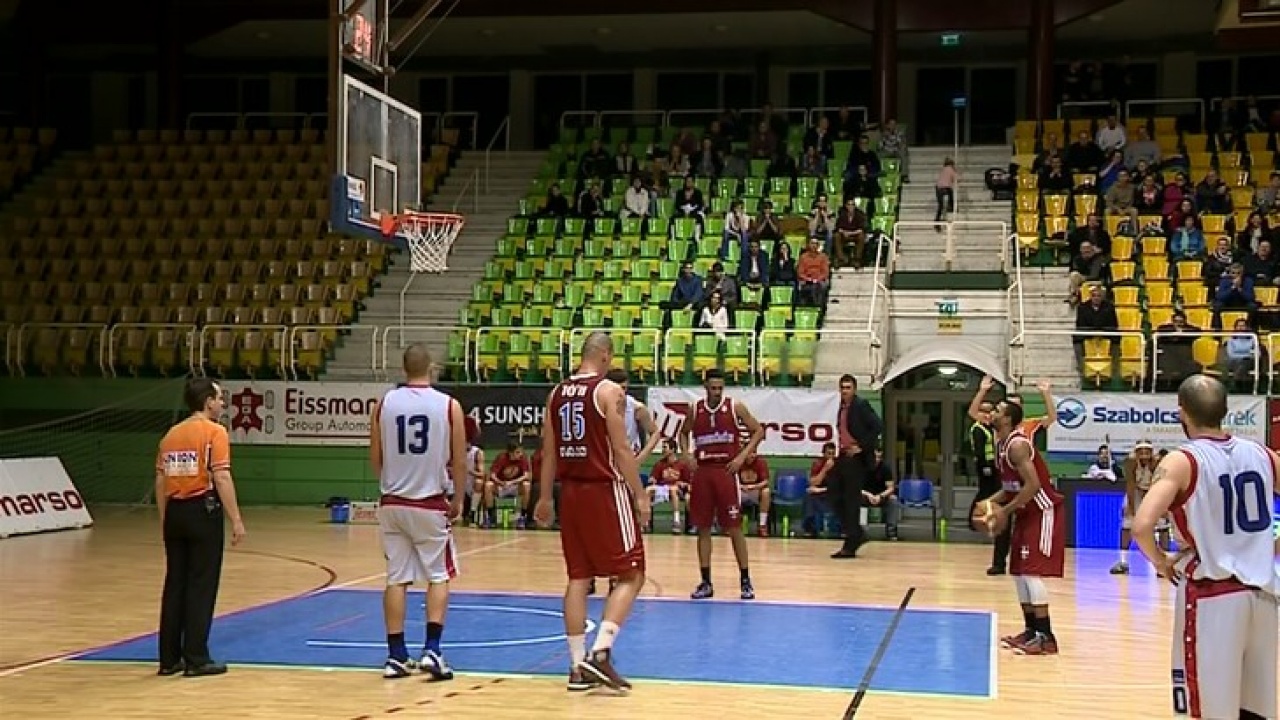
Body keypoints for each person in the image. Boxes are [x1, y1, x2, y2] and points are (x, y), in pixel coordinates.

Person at [1133, 374, 1279, 720]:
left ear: (1182, 412)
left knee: (1205, 711)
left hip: (1212, 596)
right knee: (1256, 711)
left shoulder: (1181, 461)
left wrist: (1161, 562)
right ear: (1225, 410)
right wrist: (1273, 545)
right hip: (1265, 597)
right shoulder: (1263, 454)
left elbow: (1141, 526)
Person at [535, 332, 650, 693]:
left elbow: (549, 452)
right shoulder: (608, 391)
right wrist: (640, 494)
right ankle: (600, 652)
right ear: (604, 355)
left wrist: (544, 497)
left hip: (570, 492)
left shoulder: (556, 393)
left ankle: (576, 667)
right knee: (632, 573)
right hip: (604, 490)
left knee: (578, 578)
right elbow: (621, 450)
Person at [370, 345, 467, 680]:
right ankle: (432, 650)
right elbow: (459, 459)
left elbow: (375, 458)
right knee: (438, 575)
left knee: (396, 578)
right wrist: (458, 498)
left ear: (403, 368)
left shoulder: (384, 403)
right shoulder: (448, 405)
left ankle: (396, 655)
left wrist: (392, 481)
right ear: (432, 367)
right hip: (429, 501)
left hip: (392, 501)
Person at [155, 377, 246, 677]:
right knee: (201, 584)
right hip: (202, 511)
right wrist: (236, 519)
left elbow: (160, 480)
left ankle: (169, 658)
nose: (222, 403)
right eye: (219, 399)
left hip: (175, 512)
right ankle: (196, 657)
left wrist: (165, 517)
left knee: (175, 584)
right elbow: (221, 476)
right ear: (208, 402)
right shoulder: (214, 432)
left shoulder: (170, 435)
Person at [982, 401, 1066, 656]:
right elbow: (1011, 487)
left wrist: (1004, 511)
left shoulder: (1017, 445)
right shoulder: (1001, 445)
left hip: (1043, 510)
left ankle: (1046, 637)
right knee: (1018, 572)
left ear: (1007, 419)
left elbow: (1033, 485)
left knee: (1031, 572)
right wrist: (988, 503)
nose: (991, 413)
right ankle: (1031, 631)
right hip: (1025, 512)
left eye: (997, 410)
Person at [679, 369, 765, 599]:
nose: (717, 392)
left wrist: (742, 456)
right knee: (703, 528)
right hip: (703, 472)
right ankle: (705, 581)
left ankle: (745, 580)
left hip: (726, 471)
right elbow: (683, 433)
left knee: (734, 528)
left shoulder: (734, 406)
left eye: (720, 388)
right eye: (713, 388)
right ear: (705, 387)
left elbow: (758, 431)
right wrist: (686, 456)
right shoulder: (695, 409)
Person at [831, 374, 883, 559]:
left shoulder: (861, 405)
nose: (845, 391)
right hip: (843, 456)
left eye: (848, 388)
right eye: (842, 387)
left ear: (854, 389)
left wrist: (861, 446)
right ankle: (857, 533)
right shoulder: (840, 407)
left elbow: (877, 426)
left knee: (851, 500)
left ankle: (850, 544)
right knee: (834, 494)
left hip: (856, 459)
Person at [1110, 440, 1166, 575]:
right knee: (1127, 524)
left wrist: (1161, 506)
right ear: (1136, 452)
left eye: (1147, 451)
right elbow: (1130, 484)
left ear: (1151, 452)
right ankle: (1123, 561)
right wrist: (1131, 507)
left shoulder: (1158, 462)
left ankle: (1163, 564)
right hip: (1136, 491)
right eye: (1141, 451)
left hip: (1155, 491)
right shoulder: (1130, 462)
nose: (1144, 454)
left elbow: (1160, 484)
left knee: (1162, 524)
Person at [607, 369, 662, 464]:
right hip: (606, 458)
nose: (621, 392)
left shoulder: (636, 408)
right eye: (617, 389)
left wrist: (640, 459)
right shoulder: (600, 405)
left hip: (628, 458)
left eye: (624, 388)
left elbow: (655, 433)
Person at [646, 441, 691, 533]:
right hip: (663, 488)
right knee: (648, 490)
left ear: (672, 449)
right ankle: (646, 522)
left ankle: (676, 521)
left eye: (665, 447)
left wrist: (682, 483)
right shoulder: (659, 464)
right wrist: (652, 479)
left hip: (678, 490)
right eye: (662, 447)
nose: (663, 450)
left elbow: (688, 482)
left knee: (673, 489)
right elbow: (654, 478)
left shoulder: (682, 465)